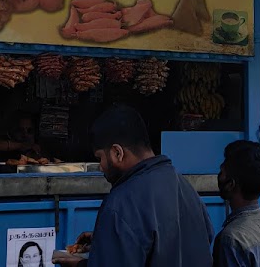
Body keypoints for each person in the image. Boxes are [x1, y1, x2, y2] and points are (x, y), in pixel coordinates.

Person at [55, 104, 213, 266]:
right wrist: (107, 239)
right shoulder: (187, 189)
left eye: (99, 158)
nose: (101, 167)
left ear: (118, 153)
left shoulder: (121, 203)